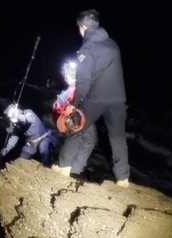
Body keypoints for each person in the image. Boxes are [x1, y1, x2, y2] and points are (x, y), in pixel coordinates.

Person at [51, 9, 130, 188]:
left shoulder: (87, 48)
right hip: (118, 99)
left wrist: (73, 105)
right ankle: (123, 179)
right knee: (118, 138)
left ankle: (64, 167)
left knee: (75, 127)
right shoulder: (113, 44)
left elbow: (83, 83)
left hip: (96, 99)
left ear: (83, 27)